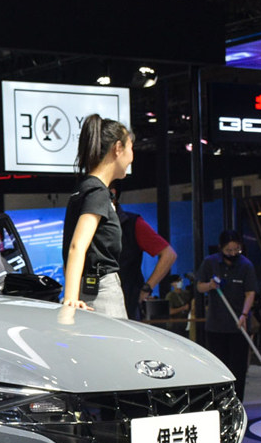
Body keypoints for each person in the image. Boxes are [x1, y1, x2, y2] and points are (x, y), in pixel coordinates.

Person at [61, 114, 134, 317]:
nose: (132, 157)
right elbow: (77, 246)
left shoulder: (84, 189)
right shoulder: (97, 192)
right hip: (101, 293)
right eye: (131, 148)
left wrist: (72, 295)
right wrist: (70, 299)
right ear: (118, 148)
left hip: (89, 289)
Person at [196, 230, 257, 400]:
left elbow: (250, 293)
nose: (233, 253)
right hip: (215, 325)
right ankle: (218, 401)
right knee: (217, 367)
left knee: (238, 368)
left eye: (237, 249)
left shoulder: (246, 265)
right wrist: (210, 285)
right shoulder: (210, 262)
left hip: (239, 326)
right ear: (221, 248)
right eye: (229, 250)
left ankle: (237, 401)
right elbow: (199, 287)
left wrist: (244, 314)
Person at [112, 186, 177, 320]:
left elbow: (169, 255)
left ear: (113, 195)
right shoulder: (89, 221)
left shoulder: (132, 223)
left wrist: (147, 288)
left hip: (127, 299)